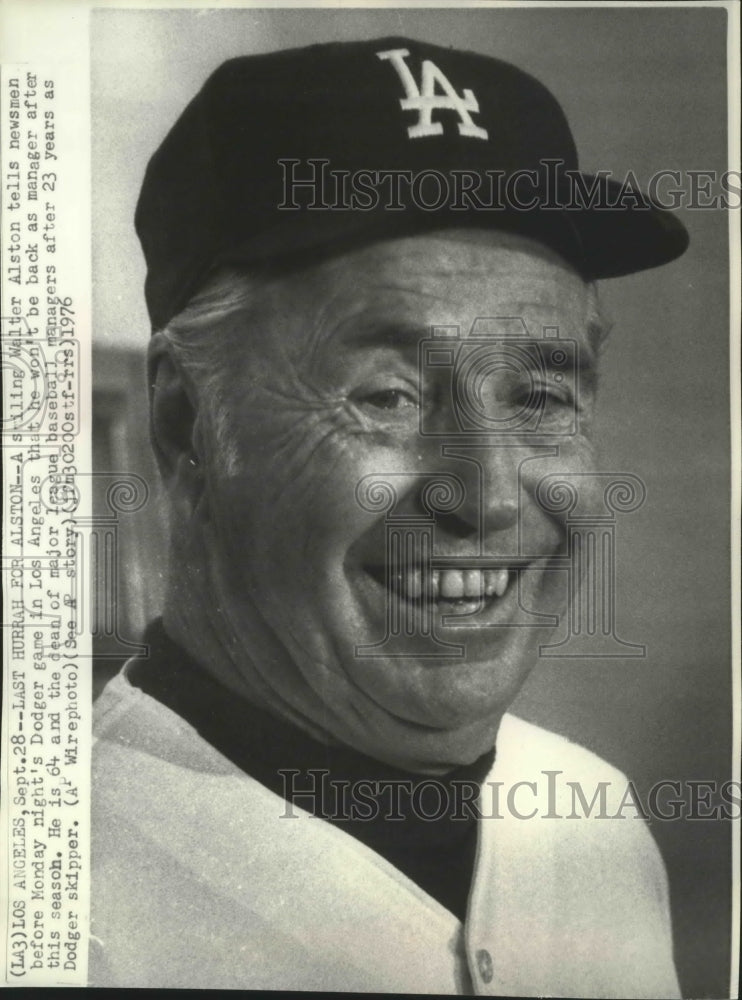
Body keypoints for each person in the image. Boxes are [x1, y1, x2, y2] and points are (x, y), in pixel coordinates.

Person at [90, 37, 688, 994]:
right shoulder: (45, 896)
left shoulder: (598, 825)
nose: (488, 495)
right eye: (388, 395)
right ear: (183, 422)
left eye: (540, 397)